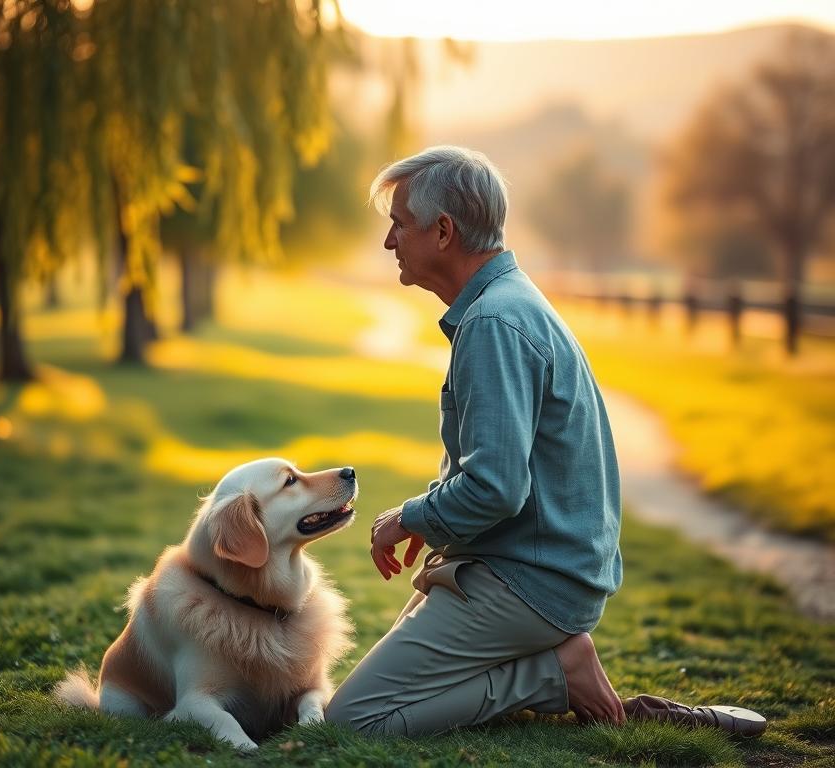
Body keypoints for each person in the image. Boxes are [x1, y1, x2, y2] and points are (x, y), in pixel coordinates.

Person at [324, 146, 766, 738]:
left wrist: (410, 517)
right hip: (536, 571)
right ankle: (549, 664)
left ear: (444, 231)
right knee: (421, 692)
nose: (389, 241)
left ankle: (552, 672)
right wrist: (438, 529)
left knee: (356, 720)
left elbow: (495, 488)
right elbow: (493, 472)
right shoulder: (506, 302)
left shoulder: (493, 324)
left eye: (399, 223)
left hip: (530, 582)